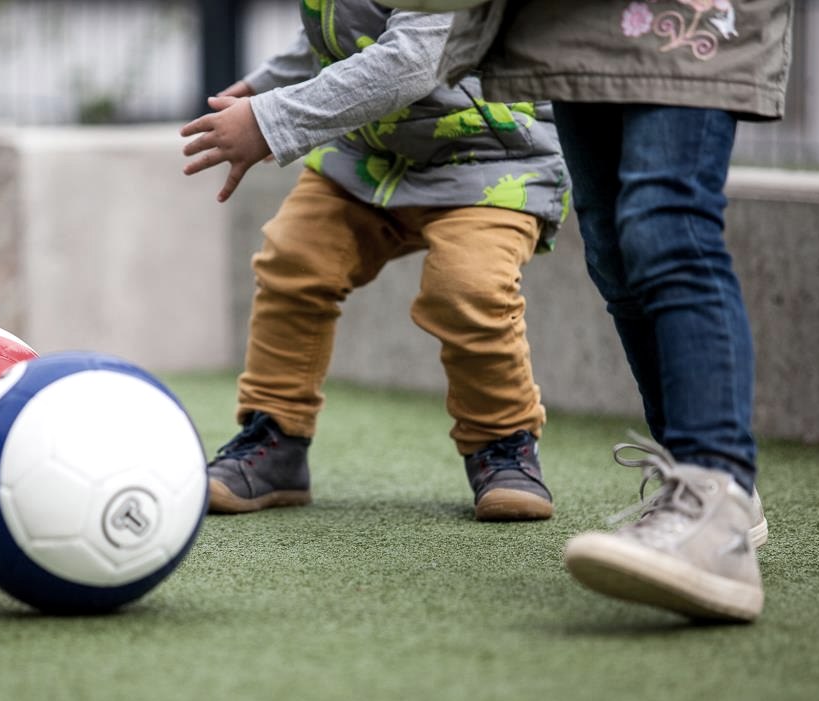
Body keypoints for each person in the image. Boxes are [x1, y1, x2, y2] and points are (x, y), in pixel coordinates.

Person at [374, 0, 792, 622]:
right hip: (573, 22)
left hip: (680, 16)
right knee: (616, 252)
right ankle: (697, 484)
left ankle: (715, 489)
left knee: (667, 224)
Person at [180, 6, 571, 521]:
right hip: (370, 155)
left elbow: (413, 57)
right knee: (295, 257)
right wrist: (263, 86)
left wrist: (272, 118)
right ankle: (276, 437)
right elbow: (333, 31)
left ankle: (503, 443)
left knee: (467, 288)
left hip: (492, 159)